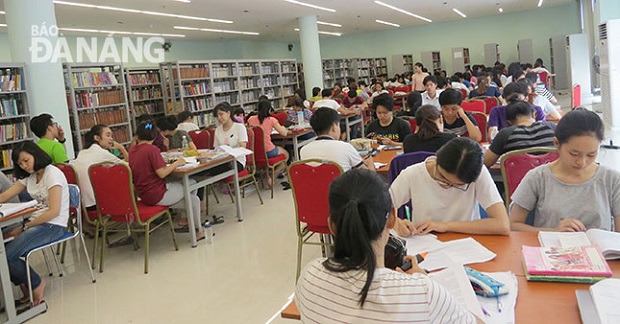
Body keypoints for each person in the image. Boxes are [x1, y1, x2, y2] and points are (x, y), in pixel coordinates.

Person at [295, 169, 475, 323]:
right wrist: (425, 281)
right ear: (391, 218)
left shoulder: (308, 277)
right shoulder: (424, 293)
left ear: (332, 226)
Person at [510, 110, 620, 232]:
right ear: (557, 144)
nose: (582, 162)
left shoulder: (612, 179)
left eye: (591, 154)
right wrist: (554, 232)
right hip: (551, 248)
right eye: (574, 154)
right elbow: (513, 225)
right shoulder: (538, 178)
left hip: (600, 250)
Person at [390, 137, 510, 236]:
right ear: (437, 160)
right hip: (425, 242)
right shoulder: (413, 174)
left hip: (467, 242)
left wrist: (446, 226)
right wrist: (396, 222)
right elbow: (379, 211)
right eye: (442, 178)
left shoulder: (478, 172)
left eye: (457, 185)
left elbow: (502, 225)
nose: (447, 186)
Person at [0, 141, 70, 305]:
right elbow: (5, 195)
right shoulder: (31, 176)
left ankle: (36, 283)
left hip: (54, 225)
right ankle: (26, 285)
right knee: (3, 251)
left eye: (26, 160)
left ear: (35, 155)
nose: (24, 166)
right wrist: (26, 226)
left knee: (7, 255)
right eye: (20, 163)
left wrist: (24, 227)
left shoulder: (52, 174)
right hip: (36, 223)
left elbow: (54, 211)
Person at [128, 122, 204, 239]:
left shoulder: (132, 150)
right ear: (154, 136)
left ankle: (186, 218)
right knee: (193, 183)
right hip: (158, 194)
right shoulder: (151, 149)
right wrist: (178, 163)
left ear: (137, 135)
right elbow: (162, 173)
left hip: (144, 195)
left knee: (192, 198)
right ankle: (197, 230)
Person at [72, 125, 129, 211]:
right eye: (108, 135)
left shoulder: (83, 152)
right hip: (96, 204)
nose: (111, 139)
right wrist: (122, 148)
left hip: (80, 204)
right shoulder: (101, 152)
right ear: (97, 138)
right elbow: (127, 167)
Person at [483, 100, 556, 167]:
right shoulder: (552, 127)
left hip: (520, 180)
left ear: (509, 122)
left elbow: (487, 162)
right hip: (552, 179)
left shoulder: (505, 134)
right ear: (534, 115)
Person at [300, 108, 375, 172]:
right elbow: (369, 177)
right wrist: (370, 163)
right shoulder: (345, 147)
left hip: (314, 188)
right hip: (341, 188)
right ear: (334, 127)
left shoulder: (304, 150)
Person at [247, 100, 289, 187]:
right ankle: (272, 176)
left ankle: (266, 175)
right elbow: (284, 133)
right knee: (286, 155)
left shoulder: (250, 119)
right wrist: (283, 127)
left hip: (254, 152)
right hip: (268, 151)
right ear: (270, 110)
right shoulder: (271, 120)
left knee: (271, 151)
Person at [212, 102, 247, 172]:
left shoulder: (240, 127)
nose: (219, 118)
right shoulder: (218, 130)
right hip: (222, 160)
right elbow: (216, 149)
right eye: (217, 116)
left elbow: (242, 147)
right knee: (209, 168)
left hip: (237, 160)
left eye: (221, 114)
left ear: (228, 113)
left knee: (215, 170)